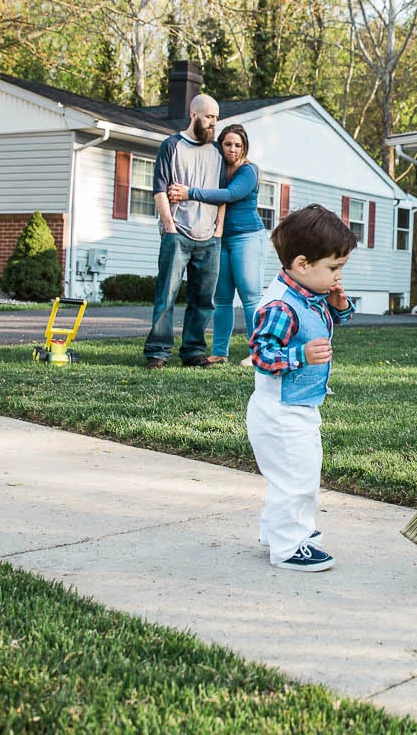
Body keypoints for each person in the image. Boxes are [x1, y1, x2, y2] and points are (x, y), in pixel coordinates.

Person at [247, 204, 358, 572]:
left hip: (298, 407)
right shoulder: (281, 305)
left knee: (298, 475)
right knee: (296, 479)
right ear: (302, 264)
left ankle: (281, 530)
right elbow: (262, 355)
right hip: (281, 412)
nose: (338, 275)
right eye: (334, 267)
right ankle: (288, 547)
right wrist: (301, 355)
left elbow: (325, 315)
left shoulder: (308, 292)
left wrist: (339, 306)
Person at [167, 123, 265, 366]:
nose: (232, 149)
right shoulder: (217, 169)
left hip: (247, 237)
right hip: (219, 237)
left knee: (250, 296)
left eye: (238, 145)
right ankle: (220, 352)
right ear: (220, 145)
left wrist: (189, 192)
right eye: (228, 144)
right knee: (222, 298)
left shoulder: (249, 171)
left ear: (244, 148)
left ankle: (258, 353)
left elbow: (229, 195)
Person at [143, 93, 225, 370]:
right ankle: (158, 352)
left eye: (216, 118)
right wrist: (169, 226)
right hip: (177, 233)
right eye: (209, 117)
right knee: (167, 295)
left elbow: (222, 194)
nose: (213, 123)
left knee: (203, 300)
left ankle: (193, 351)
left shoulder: (217, 152)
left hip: (209, 237)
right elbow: (159, 188)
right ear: (193, 115)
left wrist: (218, 230)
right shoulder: (171, 146)